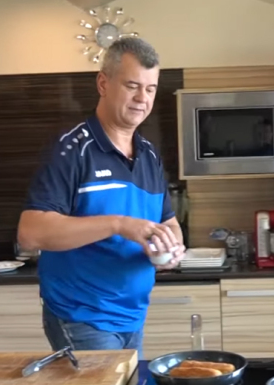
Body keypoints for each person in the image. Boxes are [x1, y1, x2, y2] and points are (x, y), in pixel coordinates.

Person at [17, 37, 185, 358]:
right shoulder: (71, 150)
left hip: (133, 315)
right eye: (132, 86)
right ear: (103, 83)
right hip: (83, 316)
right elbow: (31, 232)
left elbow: (168, 222)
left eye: (150, 89)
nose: (142, 98)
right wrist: (119, 225)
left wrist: (171, 247)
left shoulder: (149, 155)